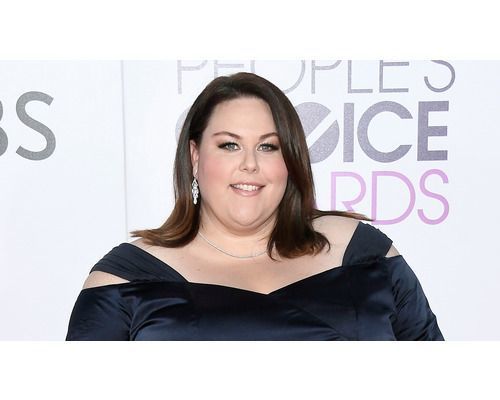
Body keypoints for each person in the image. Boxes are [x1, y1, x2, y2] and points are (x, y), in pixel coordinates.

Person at [65, 72, 444, 341]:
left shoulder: (363, 253)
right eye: (229, 145)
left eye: (268, 146)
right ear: (195, 157)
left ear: (289, 160)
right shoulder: (125, 281)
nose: (250, 163)